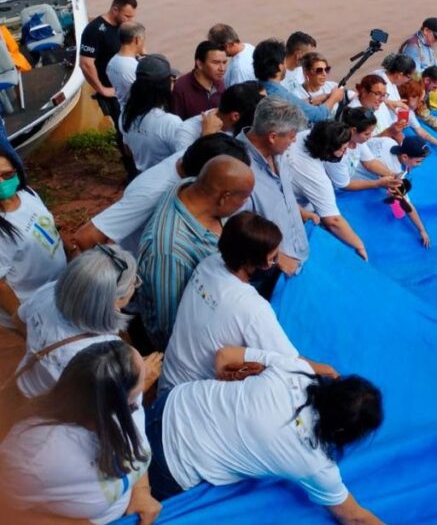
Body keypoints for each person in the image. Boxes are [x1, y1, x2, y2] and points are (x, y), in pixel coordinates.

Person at [145, 347, 384, 524]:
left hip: (170, 403)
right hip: (170, 464)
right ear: (344, 433)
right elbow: (354, 517)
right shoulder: (314, 465)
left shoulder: (296, 370)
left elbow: (226, 355)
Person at [160, 212, 336, 390]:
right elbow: (291, 363)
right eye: (273, 258)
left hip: (168, 378)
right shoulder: (252, 309)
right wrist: (328, 371)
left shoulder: (209, 263)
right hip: (190, 399)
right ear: (261, 263)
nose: (276, 262)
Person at [0, 340, 160, 525]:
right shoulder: (33, 453)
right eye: (140, 386)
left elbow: (136, 444)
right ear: (116, 403)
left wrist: (141, 490)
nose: (150, 373)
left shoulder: (126, 399)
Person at [136, 156, 254, 349]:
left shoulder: (192, 186)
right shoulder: (170, 253)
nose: (245, 203)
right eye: (244, 198)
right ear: (224, 198)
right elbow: (169, 327)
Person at [72, 134, 252, 255]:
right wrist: (121, 284)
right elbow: (85, 237)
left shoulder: (189, 157)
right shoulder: (151, 194)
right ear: (207, 175)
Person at [15, 245, 142, 398]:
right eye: (133, 283)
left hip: (23, 383)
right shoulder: (106, 351)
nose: (135, 286)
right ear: (116, 300)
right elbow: (105, 405)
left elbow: (18, 319)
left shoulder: (48, 292)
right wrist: (143, 380)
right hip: (52, 410)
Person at [238, 96, 310, 279]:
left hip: (295, 262)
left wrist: (298, 210)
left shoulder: (277, 153)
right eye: (292, 136)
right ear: (272, 136)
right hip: (270, 273)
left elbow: (281, 195)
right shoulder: (238, 170)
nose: (293, 141)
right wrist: (276, 257)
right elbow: (236, 228)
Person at [0, 148, 65, 336]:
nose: (1, 182)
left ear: (17, 171)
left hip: (59, 293)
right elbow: (1, 286)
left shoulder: (27, 194)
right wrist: (22, 323)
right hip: (34, 309)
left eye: (7, 174)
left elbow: (48, 226)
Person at [286, 121, 368, 259]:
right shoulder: (316, 178)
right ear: (327, 149)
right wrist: (359, 245)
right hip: (289, 208)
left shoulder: (305, 135)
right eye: (342, 149)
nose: (345, 152)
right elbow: (333, 221)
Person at [359, 137, 433, 248]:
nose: (420, 165)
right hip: (354, 180)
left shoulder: (389, 141)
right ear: (404, 157)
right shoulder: (393, 172)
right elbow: (406, 204)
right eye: (418, 161)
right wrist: (421, 229)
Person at [254, 39, 345, 124]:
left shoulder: (254, 88)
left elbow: (294, 107)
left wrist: (312, 101)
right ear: (280, 66)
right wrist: (334, 98)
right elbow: (318, 115)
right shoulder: (281, 95)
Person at [121, 54, 184, 172]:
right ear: (165, 85)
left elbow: (128, 151)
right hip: (165, 181)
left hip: (141, 174)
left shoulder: (125, 114)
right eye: (172, 79)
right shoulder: (170, 122)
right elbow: (184, 162)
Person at [80, 0, 138, 120]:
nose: (130, 21)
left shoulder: (122, 27)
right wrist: (102, 89)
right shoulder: (95, 30)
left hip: (127, 87)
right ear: (115, 10)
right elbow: (85, 64)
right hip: (112, 91)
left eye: (132, 17)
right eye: (127, 16)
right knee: (122, 126)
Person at [330, 107, 405, 192]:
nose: (369, 137)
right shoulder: (338, 151)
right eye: (367, 134)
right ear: (353, 130)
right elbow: (345, 185)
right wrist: (377, 183)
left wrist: (392, 175)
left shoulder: (358, 141)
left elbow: (370, 162)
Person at [174, 81, 263, 151]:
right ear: (235, 117)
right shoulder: (187, 131)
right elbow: (189, 170)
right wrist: (206, 138)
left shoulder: (237, 126)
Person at [170, 40, 227, 120]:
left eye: (224, 62)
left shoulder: (220, 84)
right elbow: (176, 123)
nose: (222, 69)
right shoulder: (181, 88)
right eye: (216, 63)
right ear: (199, 64)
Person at [348, 73, 408, 141]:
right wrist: (389, 132)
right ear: (364, 92)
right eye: (377, 94)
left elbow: (389, 125)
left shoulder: (379, 105)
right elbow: (361, 145)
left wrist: (396, 130)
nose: (382, 100)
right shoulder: (353, 113)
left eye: (384, 95)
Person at [106, 21, 145, 110]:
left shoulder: (111, 63)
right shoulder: (136, 68)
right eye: (143, 39)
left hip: (123, 110)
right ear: (137, 40)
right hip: (137, 113)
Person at [398, 79, 437, 147]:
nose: (420, 104)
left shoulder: (409, 112)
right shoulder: (398, 109)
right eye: (419, 100)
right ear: (412, 96)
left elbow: (422, 133)